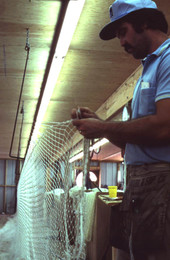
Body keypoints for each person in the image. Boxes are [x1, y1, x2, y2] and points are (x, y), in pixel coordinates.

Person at [71, 0, 170, 259]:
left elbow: (164, 127)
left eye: (122, 31)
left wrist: (103, 126)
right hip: (143, 185)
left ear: (144, 22)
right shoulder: (147, 70)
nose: (122, 43)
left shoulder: (168, 59)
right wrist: (102, 125)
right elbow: (135, 142)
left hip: (161, 183)